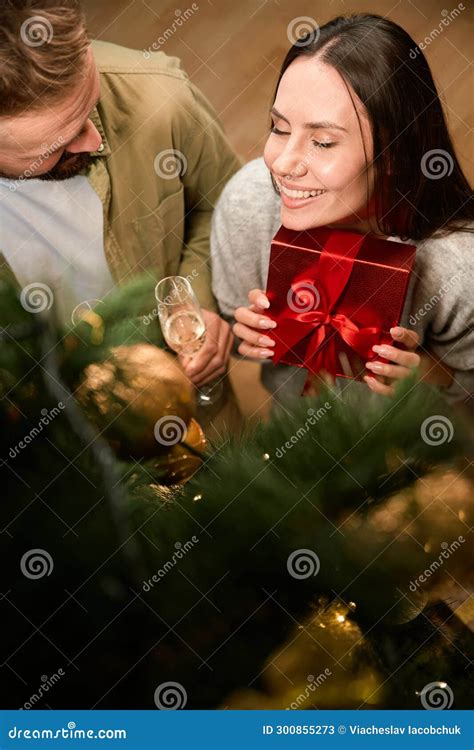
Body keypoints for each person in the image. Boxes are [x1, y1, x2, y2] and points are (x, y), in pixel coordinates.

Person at [211, 13, 474, 416]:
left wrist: (424, 373)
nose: (282, 163)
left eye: (323, 142)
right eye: (279, 128)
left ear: (394, 154)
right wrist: (240, 333)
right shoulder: (250, 202)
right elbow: (229, 324)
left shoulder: (459, 265)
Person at [0, 0, 241, 431]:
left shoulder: (159, 97)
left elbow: (227, 207)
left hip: (201, 416)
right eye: (58, 143)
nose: (94, 139)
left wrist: (198, 302)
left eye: (90, 103)